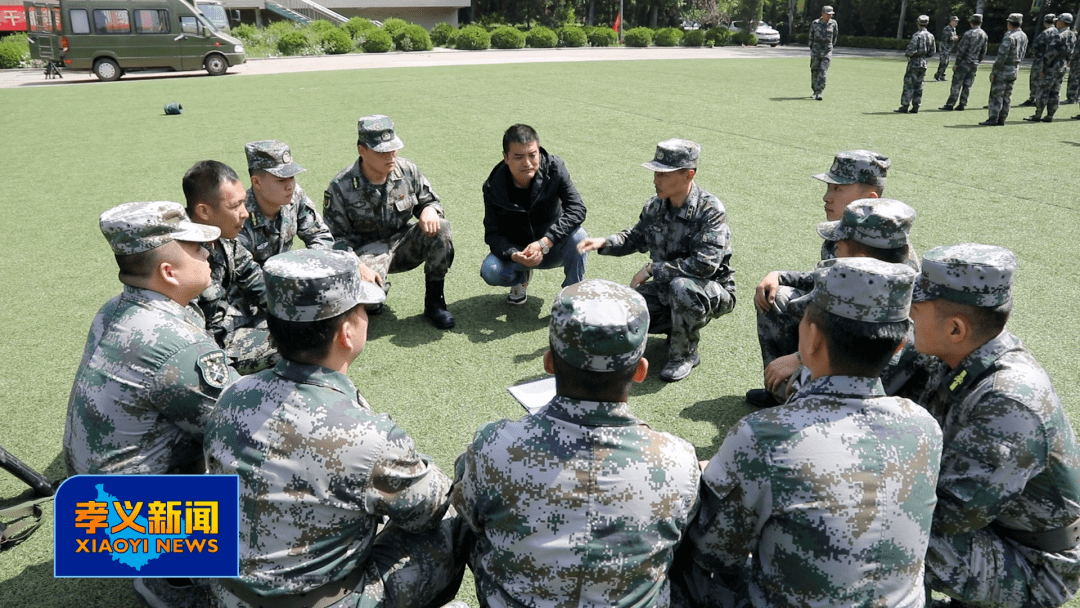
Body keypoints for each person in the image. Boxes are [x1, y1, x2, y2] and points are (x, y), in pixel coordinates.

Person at [204, 248, 466, 608]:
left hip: (227, 594)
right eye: (361, 310)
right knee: (451, 516)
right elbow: (431, 507)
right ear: (346, 332)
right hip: (318, 601)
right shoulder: (367, 436)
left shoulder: (232, 394)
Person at [676, 257, 942, 608]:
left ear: (812, 338)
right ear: (897, 346)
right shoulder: (924, 426)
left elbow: (713, 551)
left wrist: (702, 477)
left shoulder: (763, 436)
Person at [451, 279, 701, 607]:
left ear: (549, 363)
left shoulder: (494, 446)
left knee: (456, 519)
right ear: (640, 371)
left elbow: (467, 510)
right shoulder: (678, 462)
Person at [909, 243, 1080, 607]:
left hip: (1035, 566)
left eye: (915, 308)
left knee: (888, 530)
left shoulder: (1010, 401)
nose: (907, 315)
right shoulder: (964, 357)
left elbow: (947, 515)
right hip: (997, 530)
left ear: (955, 329)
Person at [64, 200, 238, 476]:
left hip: (96, 502)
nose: (206, 253)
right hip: (136, 512)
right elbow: (246, 422)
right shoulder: (176, 343)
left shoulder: (114, 308)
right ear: (168, 272)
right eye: (195, 248)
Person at [577, 139, 735, 382]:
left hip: (708, 291)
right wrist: (603, 242)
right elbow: (635, 237)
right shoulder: (655, 206)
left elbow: (705, 265)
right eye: (656, 172)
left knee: (681, 287)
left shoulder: (710, 211)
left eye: (664, 173)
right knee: (622, 313)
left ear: (688, 175)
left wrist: (652, 268)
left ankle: (685, 354)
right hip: (666, 289)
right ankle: (676, 327)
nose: (656, 179)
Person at [747, 149, 889, 408]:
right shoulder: (843, 234)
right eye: (829, 188)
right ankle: (778, 391)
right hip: (835, 328)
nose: (826, 197)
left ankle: (808, 402)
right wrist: (779, 275)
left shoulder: (886, 255)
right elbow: (827, 278)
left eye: (838, 189)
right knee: (775, 296)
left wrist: (800, 357)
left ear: (871, 199)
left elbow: (867, 332)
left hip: (867, 361)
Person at [755, 198, 923, 406]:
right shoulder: (879, 271)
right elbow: (820, 278)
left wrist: (800, 360)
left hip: (875, 390)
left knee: (806, 381)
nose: (836, 249)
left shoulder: (905, 302)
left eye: (840, 244)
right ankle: (780, 396)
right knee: (780, 297)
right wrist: (779, 275)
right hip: (861, 364)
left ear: (861, 257)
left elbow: (860, 350)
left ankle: (797, 409)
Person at [324, 115, 455, 330]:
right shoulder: (341, 186)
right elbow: (333, 239)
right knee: (369, 303)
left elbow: (430, 200)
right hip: (365, 254)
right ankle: (375, 292)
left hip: (403, 243)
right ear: (362, 150)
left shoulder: (407, 170)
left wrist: (429, 210)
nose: (391, 156)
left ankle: (435, 303)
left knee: (441, 227)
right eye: (381, 151)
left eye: (393, 148)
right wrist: (357, 266)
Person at [183, 160, 277, 375]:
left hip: (234, 327)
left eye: (243, 202)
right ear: (204, 211)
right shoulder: (182, 257)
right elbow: (189, 336)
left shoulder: (226, 240)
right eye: (235, 206)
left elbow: (261, 287)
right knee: (298, 347)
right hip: (207, 353)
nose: (244, 213)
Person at [480, 124, 587, 305]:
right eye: (518, 157)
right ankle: (520, 279)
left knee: (580, 237)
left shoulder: (555, 168)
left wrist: (545, 242)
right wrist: (514, 254)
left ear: (538, 151)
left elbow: (577, 208)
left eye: (532, 155)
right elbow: (493, 234)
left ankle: (570, 297)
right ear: (506, 157)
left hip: (553, 247)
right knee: (491, 271)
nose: (527, 163)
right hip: (520, 254)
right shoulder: (493, 187)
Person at [236, 140, 336, 266]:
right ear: (257, 182)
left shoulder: (295, 195)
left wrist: (307, 263)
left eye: (292, 177)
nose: (290, 186)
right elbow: (243, 275)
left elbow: (320, 235)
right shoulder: (240, 218)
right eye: (281, 180)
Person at [1025, 13, 1076, 122]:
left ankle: (1038, 114)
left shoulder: (1059, 35)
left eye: (1058, 21)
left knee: (1043, 90)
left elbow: (1050, 54)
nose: (1056, 23)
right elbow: (1071, 53)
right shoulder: (1072, 35)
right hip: (1062, 65)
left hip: (1052, 66)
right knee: (1055, 91)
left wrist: (1043, 68)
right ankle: (1050, 114)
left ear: (1062, 22)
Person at [980, 14, 1028, 126]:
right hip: (1015, 68)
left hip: (1004, 69)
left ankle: (993, 118)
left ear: (1009, 23)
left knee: (996, 94)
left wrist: (994, 71)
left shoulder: (1009, 36)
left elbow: (1001, 56)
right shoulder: (1023, 36)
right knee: (1007, 95)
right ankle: (1002, 118)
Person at [940, 14, 988, 111]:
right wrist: (978, 61)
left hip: (965, 62)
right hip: (974, 63)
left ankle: (950, 104)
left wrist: (957, 63)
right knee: (968, 84)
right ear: (981, 22)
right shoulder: (984, 35)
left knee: (957, 84)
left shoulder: (968, 34)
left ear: (971, 22)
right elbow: (984, 51)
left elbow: (961, 50)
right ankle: (962, 103)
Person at [896, 15, 936, 113]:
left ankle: (905, 105)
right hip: (924, 62)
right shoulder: (931, 36)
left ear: (918, 23)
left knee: (909, 84)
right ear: (927, 23)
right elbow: (932, 52)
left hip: (915, 62)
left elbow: (911, 51)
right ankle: (916, 106)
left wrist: (909, 54)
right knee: (919, 85)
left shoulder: (916, 35)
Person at [1019, 14, 1057, 107]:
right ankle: (1041, 98)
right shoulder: (1057, 31)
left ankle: (1033, 98)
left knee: (1035, 79)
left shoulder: (1045, 33)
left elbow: (1036, 45)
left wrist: (1034, 54)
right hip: (1052, 59)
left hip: (1041, 59)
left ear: (1044, 22)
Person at [808, 5, 839, 100]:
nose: (830, 16)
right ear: (823, 13)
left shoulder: (833, 23)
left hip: (827, 52)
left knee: (823, 71)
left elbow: (835, 36)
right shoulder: (815, 23)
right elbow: (811, 37)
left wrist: (830, 47)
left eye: (831, 14)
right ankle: (814, 90)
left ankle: (819, 91)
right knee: (814, 71)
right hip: (816, 51)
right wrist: (812, 48)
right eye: (828, 14)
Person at [934, 16, 959, 81]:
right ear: (951, 21)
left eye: (957, 21)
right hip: (945, 48)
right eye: (955, 21)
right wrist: (954, 38)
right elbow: (944, 39)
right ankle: (938, 76)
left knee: (946, 62)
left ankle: (942, 75)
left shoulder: (953, 29)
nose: (956, 22)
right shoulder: (947, 29)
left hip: (949, 48)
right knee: (943, 62)